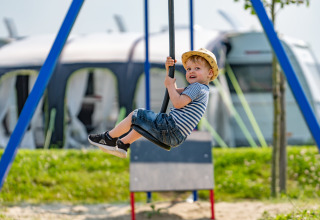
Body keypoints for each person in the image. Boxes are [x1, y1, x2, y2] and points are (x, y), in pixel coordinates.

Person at [88, 48, 219, 158]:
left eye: (197, 68)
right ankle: (123, 144)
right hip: (177, 136)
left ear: (210, 73)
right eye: (189, 68)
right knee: (144, 124)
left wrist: (169, 84)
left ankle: (109, 138)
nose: (191, 71)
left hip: (171, 128)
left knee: (137, 114)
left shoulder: (196, 87)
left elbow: (177, 102)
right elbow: (173, 90)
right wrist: (169, 72)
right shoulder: (202, 90)